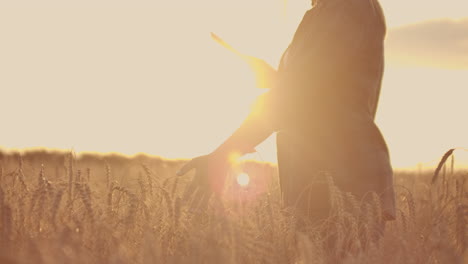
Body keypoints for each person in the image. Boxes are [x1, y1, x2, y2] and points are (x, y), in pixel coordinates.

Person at [177, 0, 395, 224]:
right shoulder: (329, 11)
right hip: (317, 175)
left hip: (341, 176)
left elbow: (296, 97)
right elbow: (319, 93)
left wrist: (223, 155)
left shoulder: (347, 7)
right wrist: (277, 79)